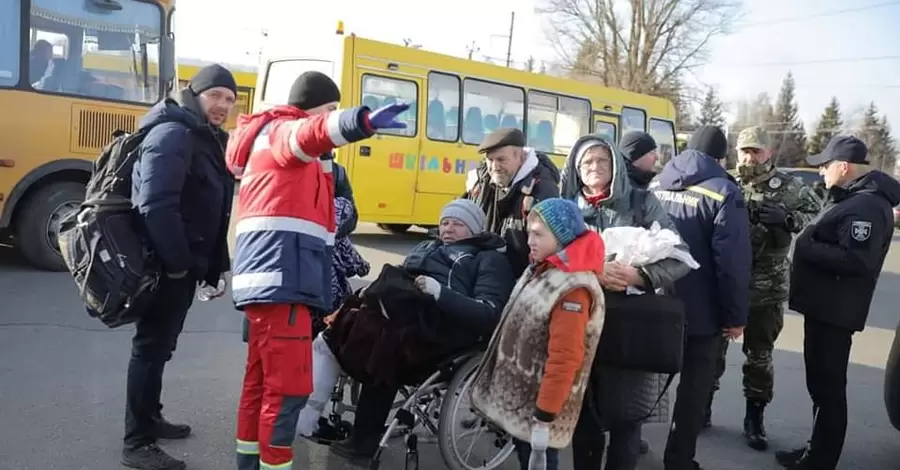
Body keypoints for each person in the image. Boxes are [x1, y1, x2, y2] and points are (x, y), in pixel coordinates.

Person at [225, 70, 409, 470]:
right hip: (284, 282)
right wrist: (359, 122)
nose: (330, 116)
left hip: (271, 283)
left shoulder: (268, 139)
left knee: (259, 384)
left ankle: (249, 463)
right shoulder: (285, 132)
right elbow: (310, 134)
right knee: (288, 391)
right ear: (311, 110)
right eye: (329, 108)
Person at [328, 198, 515, 463]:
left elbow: (488, 313)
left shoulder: (489, 260)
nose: (448, 229)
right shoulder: (429, 247)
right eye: (444, 223)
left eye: (458, 224)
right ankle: (322, 418)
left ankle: (364, 442)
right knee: (348, 324)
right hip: (415, 323)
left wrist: (441, 294)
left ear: (475, 229)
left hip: (451, 335)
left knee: (386, 350)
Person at [125, 64, 237, 470]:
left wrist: (214, 268)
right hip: (163, 265)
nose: (223, 105)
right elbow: (156, 206)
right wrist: (177, 266)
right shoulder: (174, 133)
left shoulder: (204, 136)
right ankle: (136, 443)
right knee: (150, 348)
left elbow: (215, 211)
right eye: (215, 96)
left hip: (183, 266)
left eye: (229, 99)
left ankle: (150, 418)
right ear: (196, 93)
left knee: (161, 348)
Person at [559, 132, 691, 470]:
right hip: (581, 324)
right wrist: (592, 271)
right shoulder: (564, 210)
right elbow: (543, 257)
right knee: (584, 416)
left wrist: (639, 276)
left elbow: (679, 256)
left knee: (627, 418)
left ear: (616, 164)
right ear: (575, 169)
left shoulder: (642, 202)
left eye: (603, 160)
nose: (595, 167)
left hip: (632, 325)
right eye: (587, 161)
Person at [775, 135, 900, 470]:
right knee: (820, 385)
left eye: (825, 166)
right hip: (825, 307)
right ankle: (815, 450)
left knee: (828, 389)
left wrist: (804, 246)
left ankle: (821, 460)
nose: (821, 173)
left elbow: (857, 261)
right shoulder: (855, 198)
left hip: (835, 313)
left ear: (843, 167)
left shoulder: (866, 206)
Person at [469, 198, 606, 470]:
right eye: (529, 232)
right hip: (526, 401)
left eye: (539, 234)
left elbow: (566, 357)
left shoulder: (573, 289)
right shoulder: (545, 267)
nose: (529, 240)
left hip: (540, 407)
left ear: (562, 236)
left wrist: (545, 415)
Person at [707, 126, 821, 450]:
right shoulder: (727, 181)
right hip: (726, 283)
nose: (749, 156)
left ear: (769, 153)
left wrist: (787, 219)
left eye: (756, 151)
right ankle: (701, 406)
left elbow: (814, 214)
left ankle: (754, 418)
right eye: (744, 150)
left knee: (758, 356)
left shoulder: (787, 186)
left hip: (766, 287)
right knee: (711, 350)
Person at [651, 125, 752, 470]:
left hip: (654, 301)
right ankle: (678, 460)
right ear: (720, 158)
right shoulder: (725, 192)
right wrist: (736, 316)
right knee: (693, 390)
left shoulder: (656, 184)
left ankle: (628, 440)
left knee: (643, 374)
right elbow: (732, 264)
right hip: (701, 312)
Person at [464, 128, 560, 276]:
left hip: (520, 280)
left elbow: (549, 248)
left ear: (521, 157)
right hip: (482, 272)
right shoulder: (481, 180)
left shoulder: (542, 190)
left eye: (501, 160)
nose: (494, 167)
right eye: (490, 160)